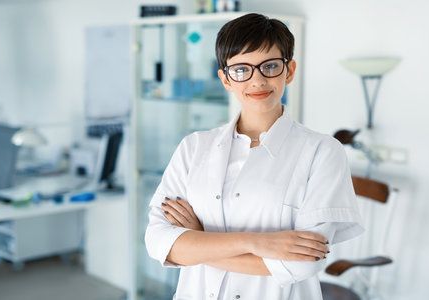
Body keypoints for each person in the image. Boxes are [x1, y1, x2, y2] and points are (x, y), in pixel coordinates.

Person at [145, 13, 364, 300]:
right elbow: (158, 241)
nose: (257, 80)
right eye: (241, 69)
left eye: (270, 66)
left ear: (289, 70)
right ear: (225, 79)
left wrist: (198, 240)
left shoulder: (322, 152)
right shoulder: (194, 147)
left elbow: (302, 263)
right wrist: (259, 243)